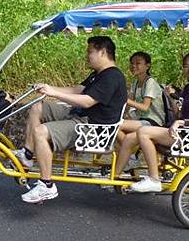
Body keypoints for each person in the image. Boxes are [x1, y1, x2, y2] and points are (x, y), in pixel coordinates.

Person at [18, 35, 127, 203]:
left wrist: (55, 93)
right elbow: (78, 90)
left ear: (103, 52)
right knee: (38, 107)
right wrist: (47, 87)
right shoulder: (98, 74)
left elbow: (87, 100)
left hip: (92, 128)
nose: (87, 55)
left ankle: (46, 185)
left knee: (40, 132)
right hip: (79, 115)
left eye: (90, 51)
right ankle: (27, 153)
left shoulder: (112, 77)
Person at [128, 52, 189, 192]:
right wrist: (170, 97)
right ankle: (143, 169)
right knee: (142, 132)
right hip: (180, 132)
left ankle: (154, 179)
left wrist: (182, 123)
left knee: (143, 132)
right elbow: (178, 114)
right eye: (186, 66)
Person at [113, 52, 165, 179]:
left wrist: (125, 100)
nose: (134, 66)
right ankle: (125, 163)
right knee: (114, 124)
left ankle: (130, 157)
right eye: (132, 63)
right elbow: (128, 103)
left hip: (153, 122)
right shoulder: (136, 83)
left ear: (147, 66)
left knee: (117, 125)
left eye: (138, 63)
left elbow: (144, 106)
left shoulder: (150, 82)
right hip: (142, 120)